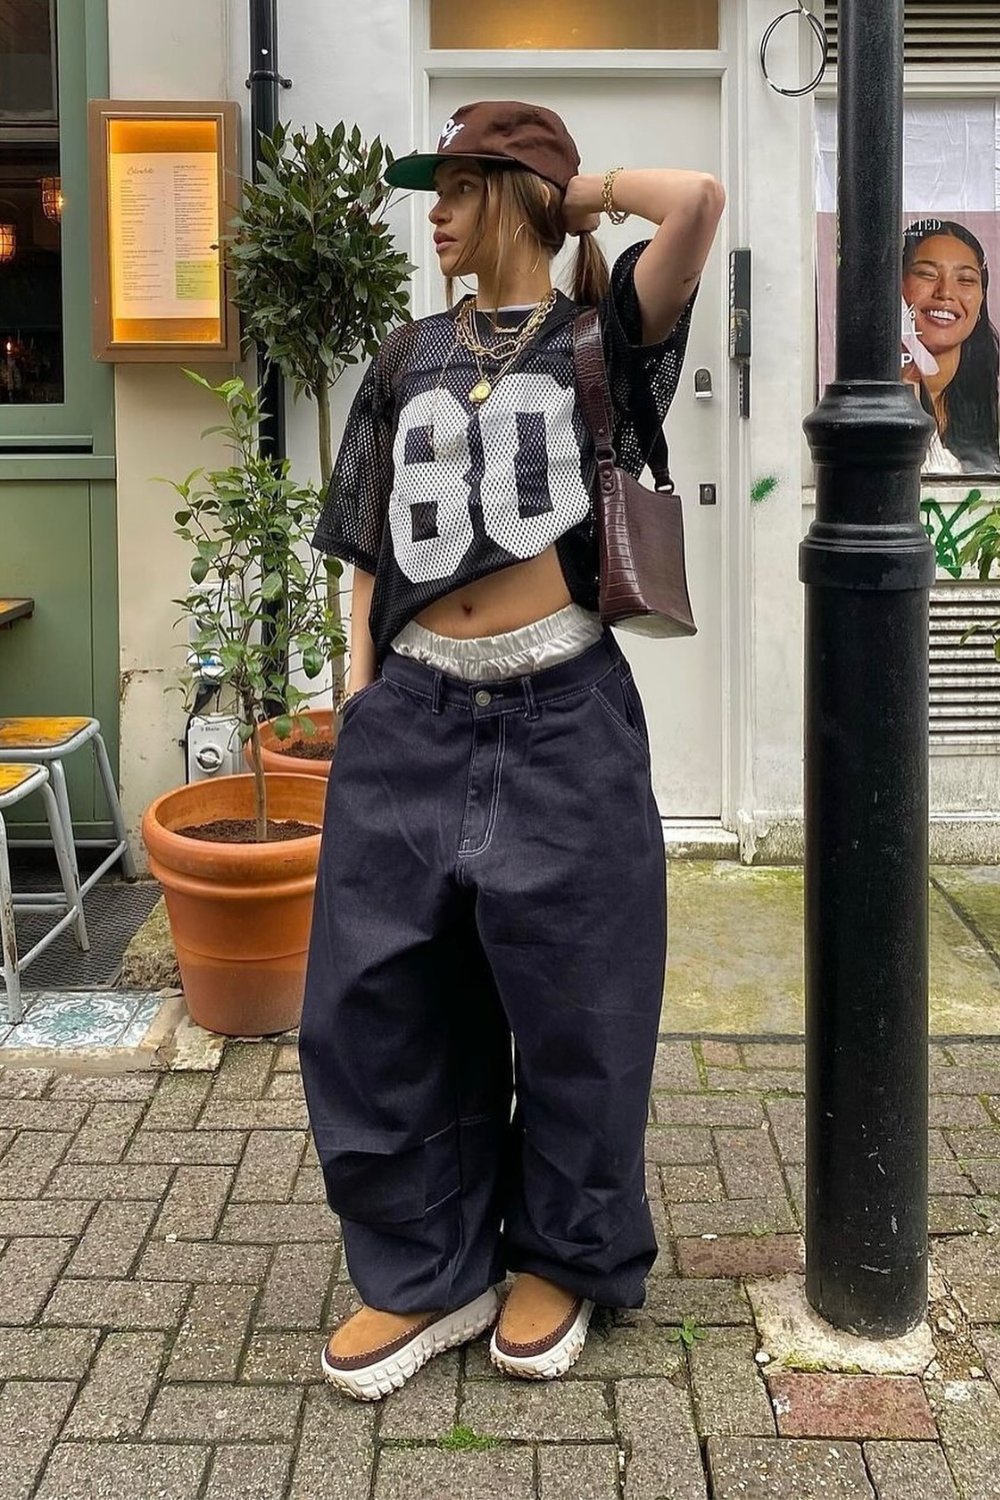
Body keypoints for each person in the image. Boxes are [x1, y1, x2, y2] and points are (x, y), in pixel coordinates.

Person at [299, 100, 724, 1401]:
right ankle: (429, 1271)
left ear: (514, 196)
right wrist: (360, 703)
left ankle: (563, 1259)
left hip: (563, 716)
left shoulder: (604, 333)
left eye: (456, 186)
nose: (431, 209)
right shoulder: (404, 352)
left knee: (581, 1008)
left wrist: (574, 193)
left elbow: (698, 199)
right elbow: (367, 552)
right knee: (375, 1005)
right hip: (414, 716)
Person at [901, 217, 1000, 475]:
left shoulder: (993, 397)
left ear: (981, 301)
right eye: (926, 274)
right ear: (896, 288)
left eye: (966, 280)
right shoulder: (875, 390)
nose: (945, 292)